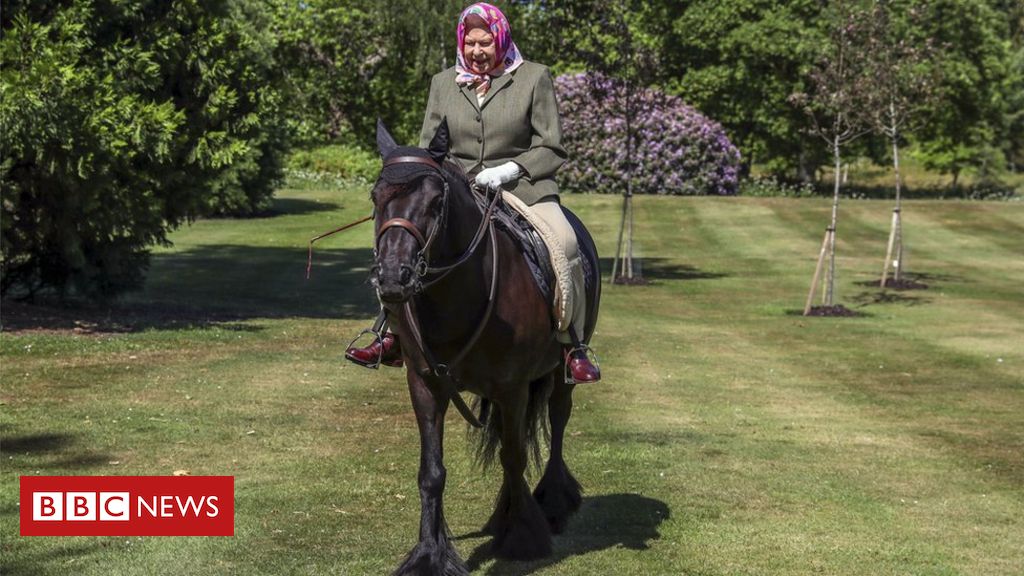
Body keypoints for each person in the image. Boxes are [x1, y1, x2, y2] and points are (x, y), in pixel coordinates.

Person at [346, 2, 600, 383]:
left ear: (500, 39)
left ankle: (572, 344)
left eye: (486, 43)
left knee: (564, 243)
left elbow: (551, 146)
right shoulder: (442, 83)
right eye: (471, 44)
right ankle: (392, 333)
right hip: (459, 189)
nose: (478, 52)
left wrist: (510, 170)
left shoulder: (533, 78)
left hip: (523, 188)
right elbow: (431, 148)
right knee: (402, 244)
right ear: (461, 43)